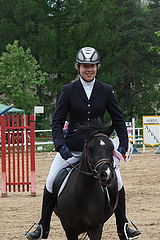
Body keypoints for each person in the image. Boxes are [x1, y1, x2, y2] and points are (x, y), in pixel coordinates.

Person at [25, 47, 141, 240]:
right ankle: (43, 226)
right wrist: (60, 146)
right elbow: (57, 121)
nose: (89, 70)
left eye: (92, 66)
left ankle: (123, 225)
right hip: (73, 148)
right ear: (78, 67)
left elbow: (119, 121)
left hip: (98, 150)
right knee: (51, 181)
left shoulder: (106, 90)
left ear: (97, 67)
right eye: (85, 66)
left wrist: (122, 147)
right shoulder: (68, 90)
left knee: (117, 181)